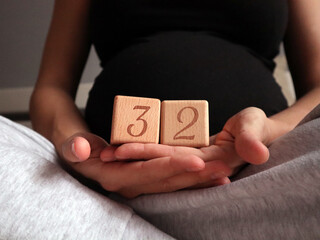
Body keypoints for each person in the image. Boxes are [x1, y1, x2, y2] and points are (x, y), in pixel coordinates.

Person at [1, 0, 319, 238]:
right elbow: (51, 89)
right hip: (100, 195)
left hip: (262, 179)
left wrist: (268, 130)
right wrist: (80, 149)